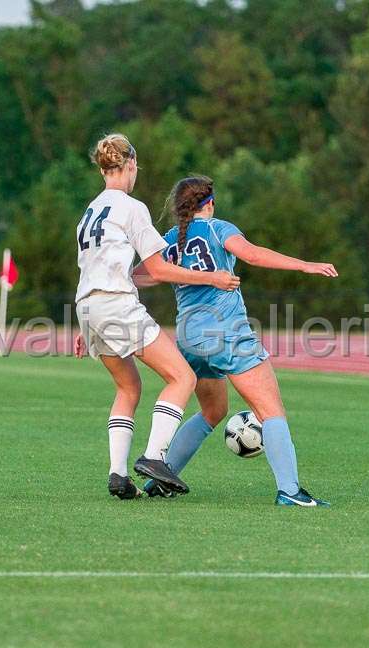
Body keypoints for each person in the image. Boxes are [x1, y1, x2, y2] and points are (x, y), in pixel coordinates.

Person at [134, 175, 336, 507]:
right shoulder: (217, 228)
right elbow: (253, 255)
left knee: (213, 410)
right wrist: (304, 265)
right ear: (208, 203)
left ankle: (163, 479)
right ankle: (290, 491)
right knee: (270, 410)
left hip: (189, 338)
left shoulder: (168, 240)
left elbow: (142, 276)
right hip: (226, 333)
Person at [73, 134, 241, 500]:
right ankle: (154, 456)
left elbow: (95, 268)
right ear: (130, 165)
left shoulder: (89, 211)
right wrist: (211, 276)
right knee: (182, 376)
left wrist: (88, 326)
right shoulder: (132, 208)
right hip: (117, 304)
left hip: (87, 306)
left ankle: (118, 475)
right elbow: (159, 269)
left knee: (128, 388)